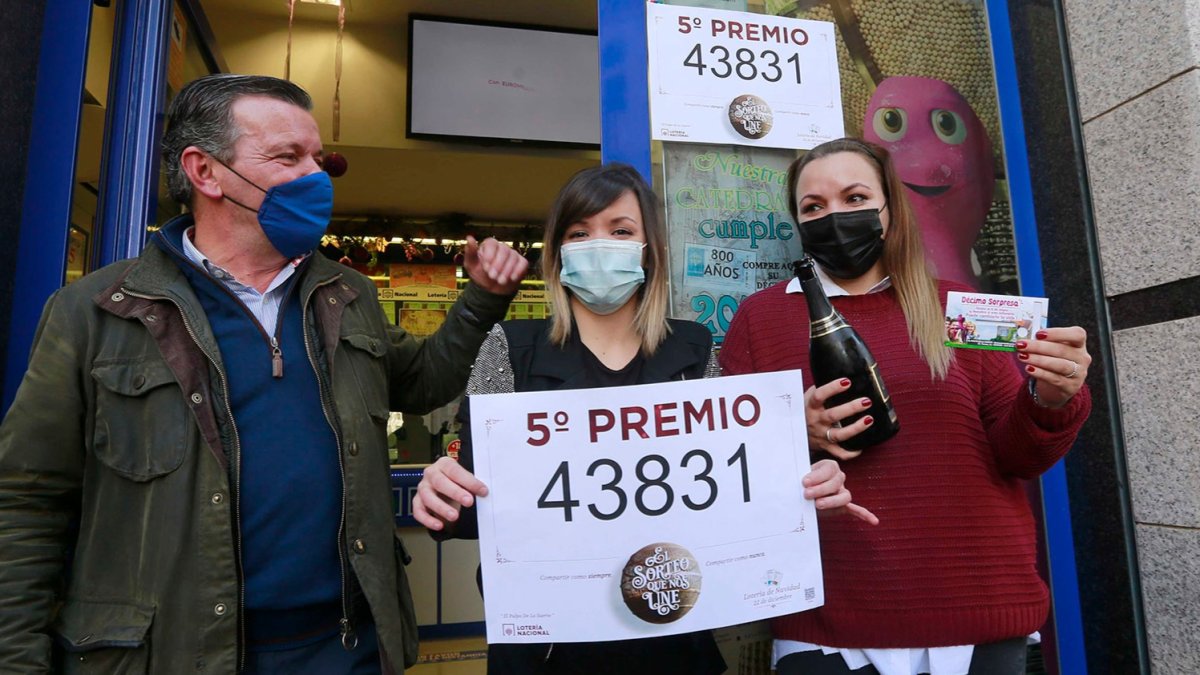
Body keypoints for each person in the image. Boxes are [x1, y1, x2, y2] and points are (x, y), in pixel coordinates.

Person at [0, 74, 528, 674]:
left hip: (345, 649)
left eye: (318, 158)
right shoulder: (96, 311)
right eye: (287, 156)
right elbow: (28, 504)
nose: (316, 176)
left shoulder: (345, 293)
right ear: (205, 172)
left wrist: (483, 297)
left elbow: (424, 381)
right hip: (170, 655)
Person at [412, 163, 875, 674]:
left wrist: (804, 488)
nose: (599, 244)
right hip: (546, 652)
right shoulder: (508, 350)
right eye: (579, 233)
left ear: (648, 248)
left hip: (674, 643)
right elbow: (478, 510)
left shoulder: (695, 350)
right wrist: (442, 495)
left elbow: (736, 492)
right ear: (559, 252)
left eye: (621, 231)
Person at [719, 137, 1093, 675]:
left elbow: (1019, 456)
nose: (835, 217)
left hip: (978, 613)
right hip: (829, 627)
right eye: (813, 207)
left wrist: (1051, 397)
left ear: (889, 209)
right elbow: (732, 476)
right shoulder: (760, 319)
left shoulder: (957, 307)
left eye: (854, 198)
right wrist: (789, 435)